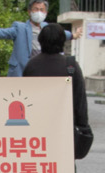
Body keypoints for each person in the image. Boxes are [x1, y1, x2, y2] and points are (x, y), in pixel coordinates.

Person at [20, 22, 92, 158]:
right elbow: (79, 100)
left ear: (40, 41)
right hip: (63, 127)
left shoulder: (32, 65)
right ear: (62, 41)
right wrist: (83, 126)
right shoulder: (70, 65)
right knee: (63, 165)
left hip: (37, 129)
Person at [0, 0, 54, 77]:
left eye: (41, 10)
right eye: (36, 9)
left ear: (46, 12)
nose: (39, 12)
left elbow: (63, 34)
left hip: (42, 71)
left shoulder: (49, 28)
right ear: (29, 12)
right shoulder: (20, 27)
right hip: (22, 72)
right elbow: (4, 33)